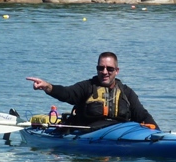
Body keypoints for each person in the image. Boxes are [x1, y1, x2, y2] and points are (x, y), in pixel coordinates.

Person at [26, 52, 158, 130]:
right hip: (90, 135)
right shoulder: (87, 87)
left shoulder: (126, 93)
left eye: (109, 69)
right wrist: (48, 87)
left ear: (117, 71)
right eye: (101, 68)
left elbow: (143, 116)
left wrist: (160, 135)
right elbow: (67, 93)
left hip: (120, 135)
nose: (105, 72)